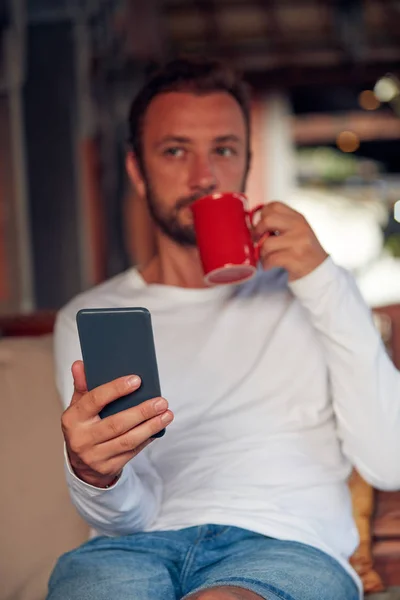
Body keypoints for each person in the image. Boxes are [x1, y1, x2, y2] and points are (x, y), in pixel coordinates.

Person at [48, 58, 400, 600]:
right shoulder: (92, 315)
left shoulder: (315, 288)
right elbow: (125, 516)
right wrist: (95, 475)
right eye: (174, 150)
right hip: (129, 550)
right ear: (138, 172)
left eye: (224, 149)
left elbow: (390, 460)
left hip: (284, 545)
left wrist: (325, 280)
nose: (202, 176)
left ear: (245, 167)